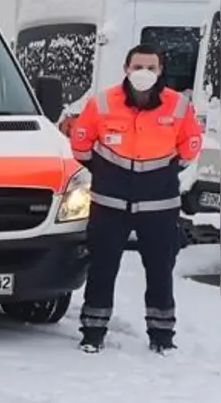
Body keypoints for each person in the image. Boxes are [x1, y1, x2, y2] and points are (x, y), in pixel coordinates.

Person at [70, 44, 203, 354]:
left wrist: (158, 175)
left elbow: (189, 149)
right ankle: (92, 332)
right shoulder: (102, 103)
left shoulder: (178, 106)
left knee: (160, 270)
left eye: (151, 68)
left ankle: (162, 336)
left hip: (160, 206)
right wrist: (108, 172)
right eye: (138, 67)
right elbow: (81, 145)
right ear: (126, 69)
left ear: (160, 72)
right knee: (102, 269)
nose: (144, 73)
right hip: (109, 203)